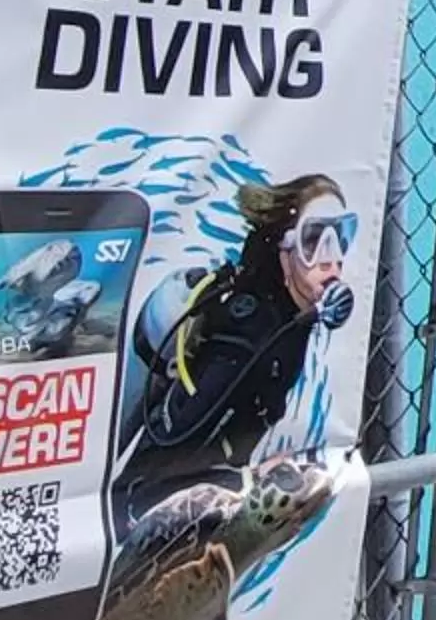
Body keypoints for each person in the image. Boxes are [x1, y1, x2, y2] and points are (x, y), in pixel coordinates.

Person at [115, 176, 356, 525]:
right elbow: (162, 460)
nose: (331, 260)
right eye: (314, 240)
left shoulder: (291, 321)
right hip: (152, 511)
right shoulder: (246, 341)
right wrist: (249, 482)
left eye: (341, 236)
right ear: (283, 249)